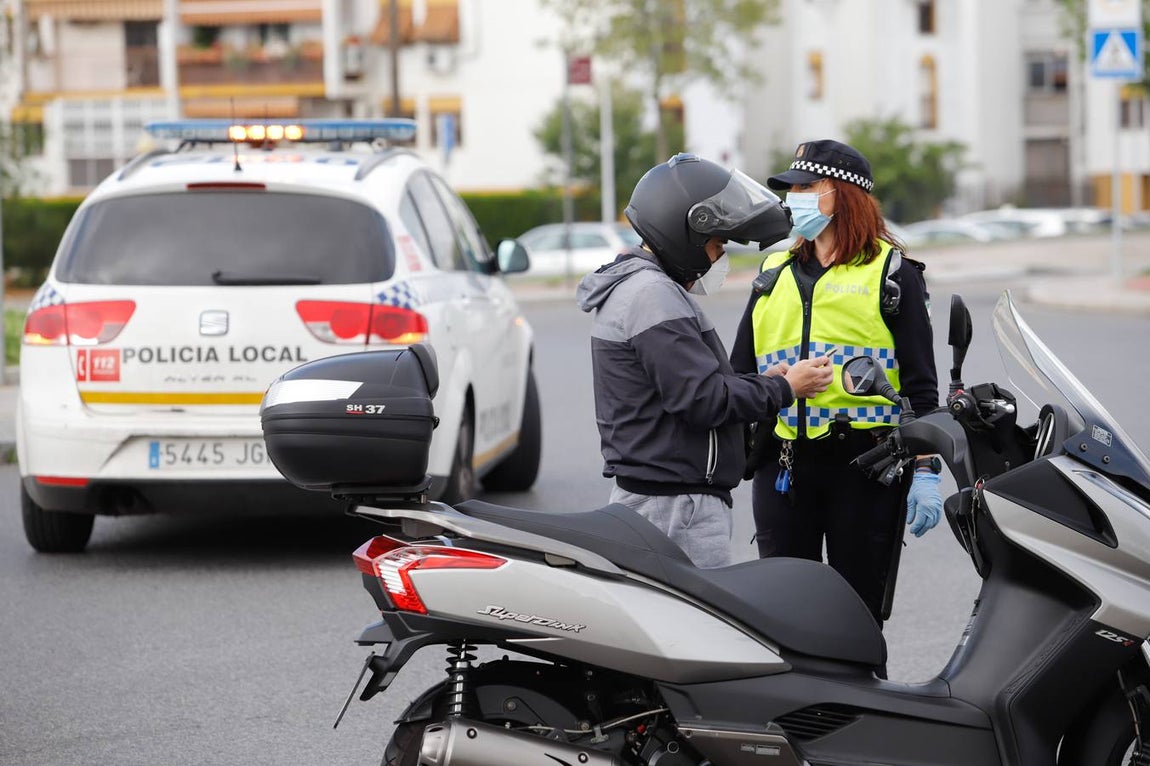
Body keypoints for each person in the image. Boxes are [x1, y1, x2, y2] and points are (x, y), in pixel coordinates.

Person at [576, 153, 833, 569]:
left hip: (665, 499)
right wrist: (786, 387)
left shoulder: (644, 289)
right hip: (675, 507)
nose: (718, 257)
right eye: (716, 244)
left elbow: (693, 385)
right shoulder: (652, 295)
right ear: (687, 233)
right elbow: (702, 400)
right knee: (693, 611)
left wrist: (761, 382)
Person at [729, 139, 942, 624]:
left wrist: (926, 470)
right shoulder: (772, 273)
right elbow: (738, 373)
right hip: (783, 465)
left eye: (808, 187)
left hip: (866, 468)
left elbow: (921, 388)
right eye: (792, 189)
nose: (795, 198)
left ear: (843, 195)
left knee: (856, 613)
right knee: (784, 612)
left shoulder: (892, 273)